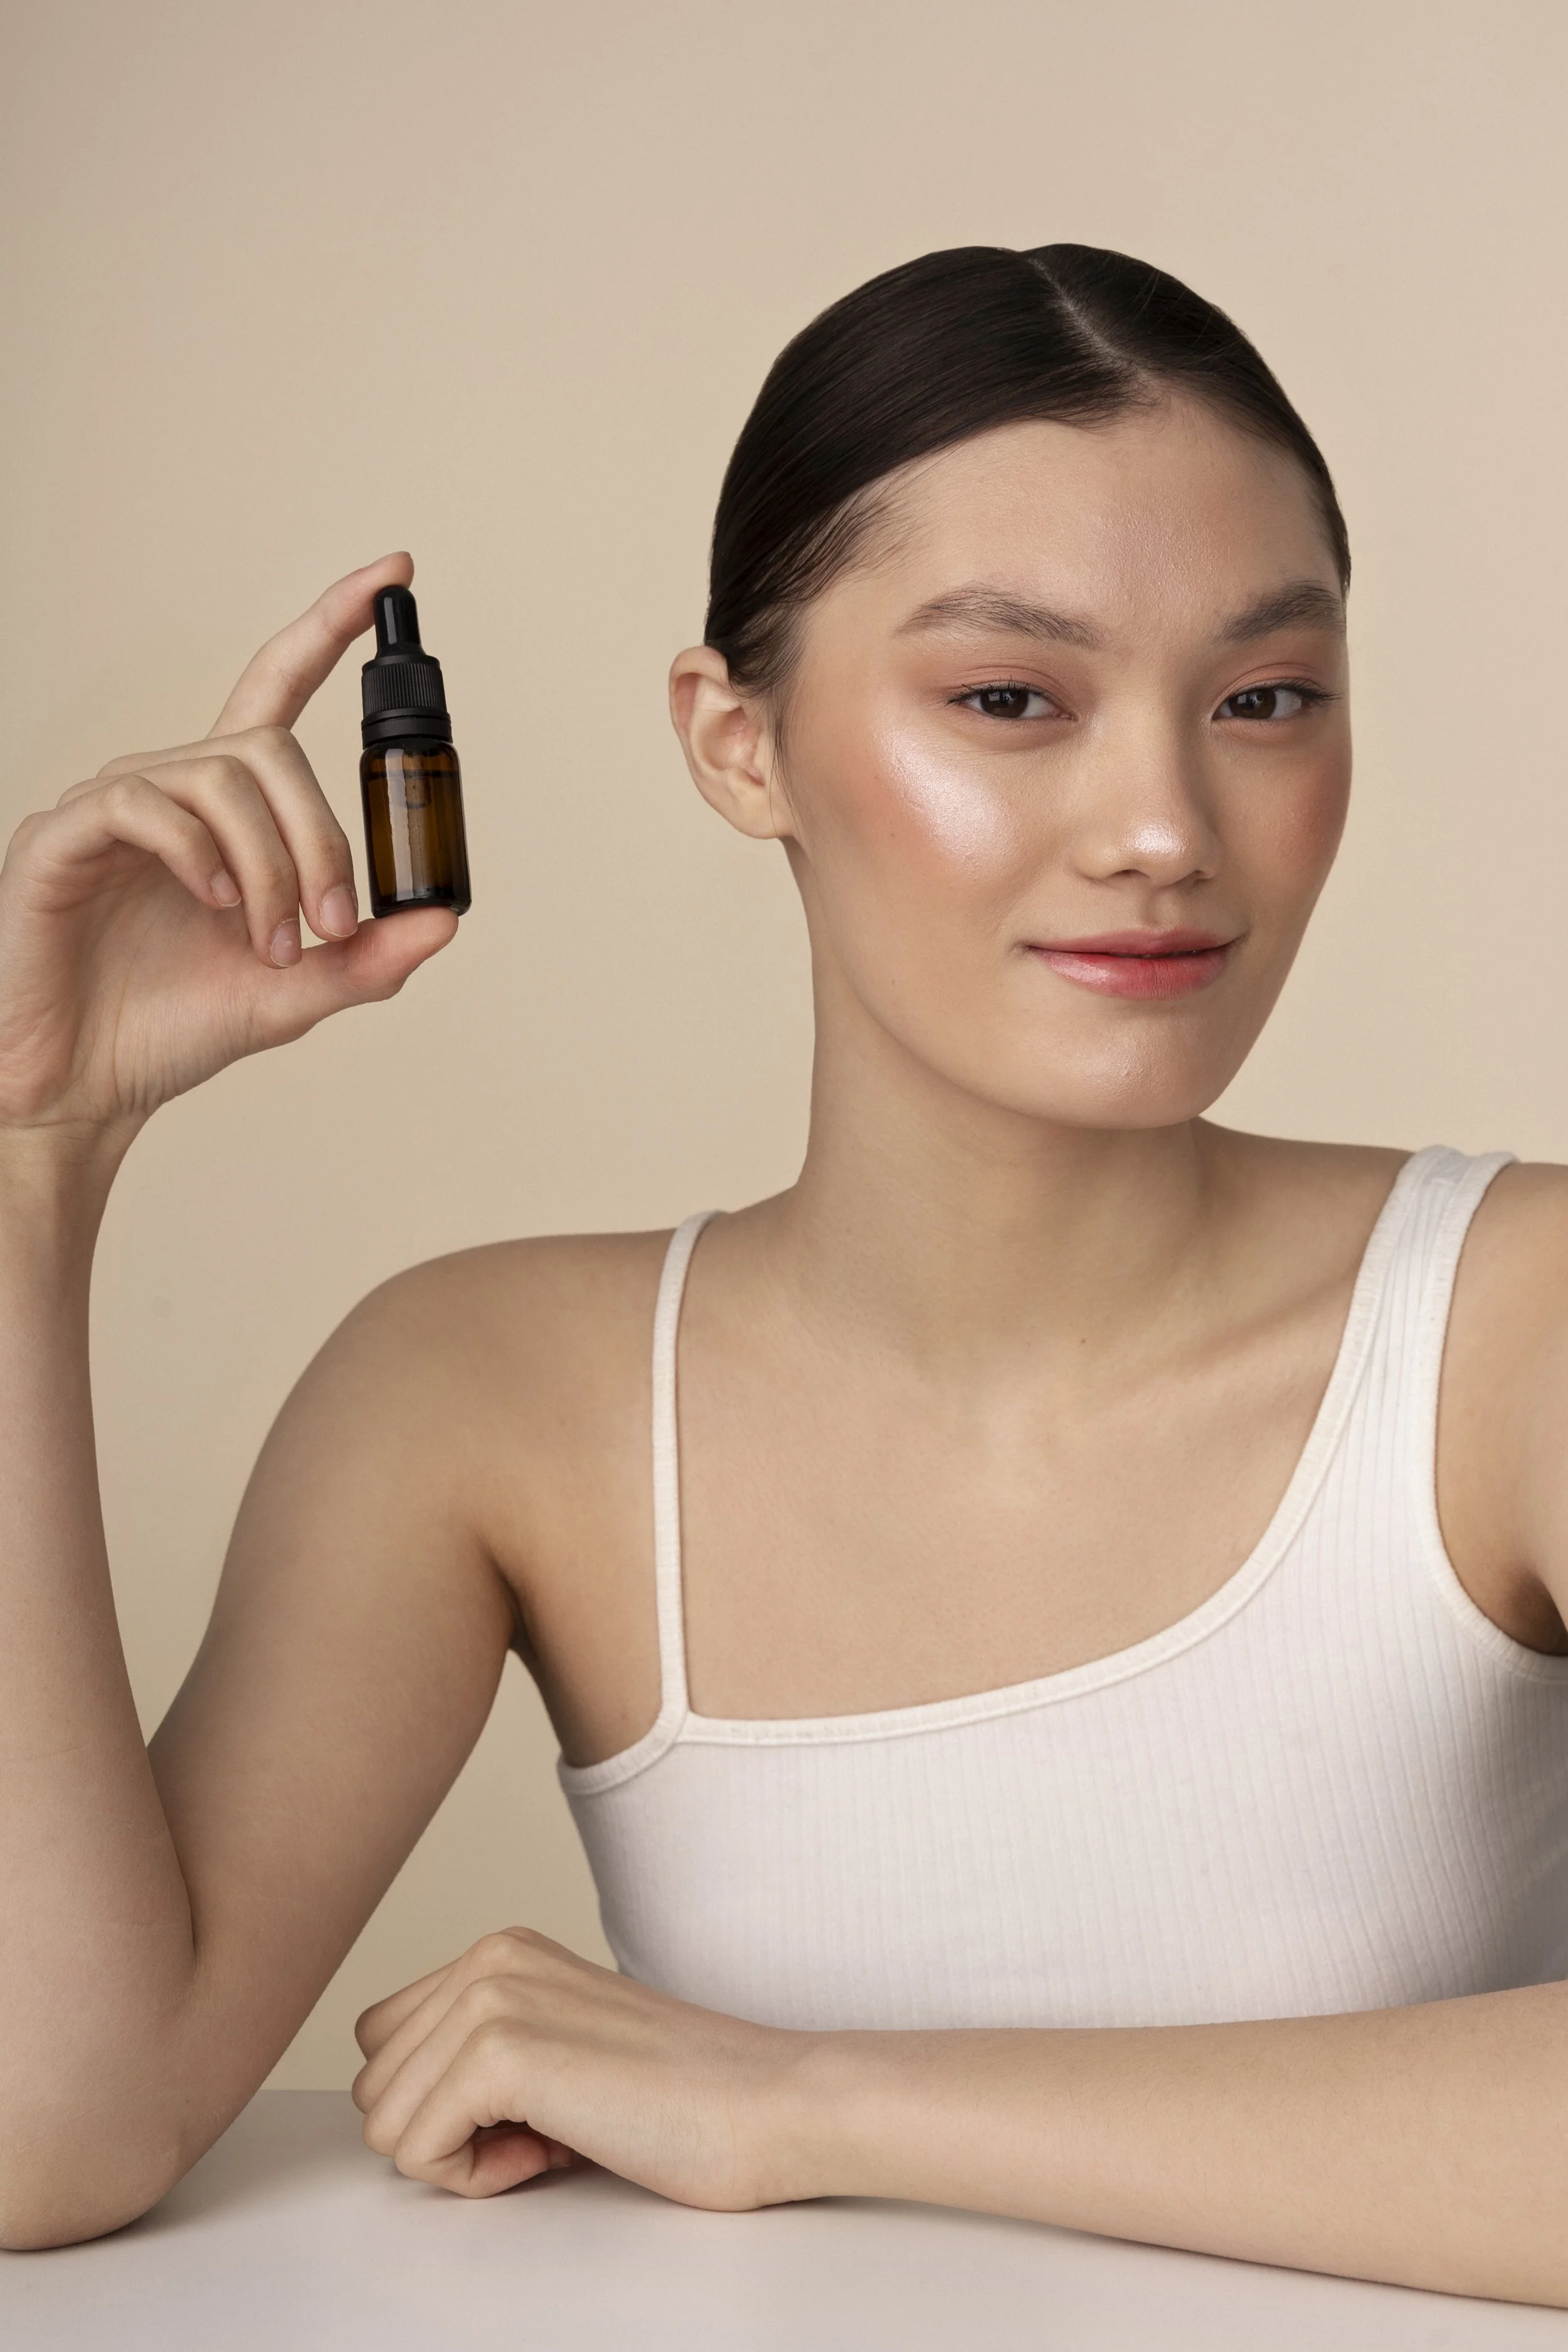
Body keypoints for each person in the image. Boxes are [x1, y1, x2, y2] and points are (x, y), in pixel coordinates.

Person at [2, 243, 1565, 2304]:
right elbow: (51, 2122)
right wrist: (37, 1162)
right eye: (1010, 699)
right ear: (736, 746)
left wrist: (805, 2098)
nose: (1165, 824)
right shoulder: (485, 1395)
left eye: (1262, 698)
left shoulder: (1513, 1326)